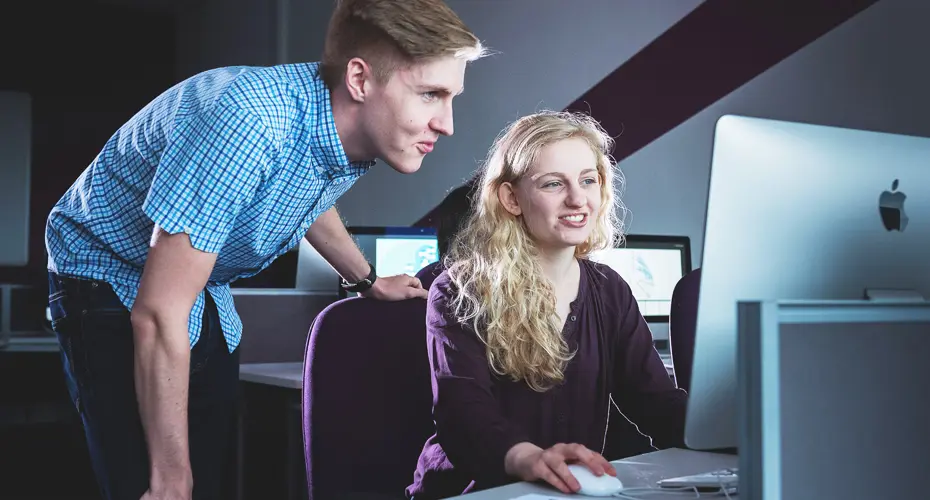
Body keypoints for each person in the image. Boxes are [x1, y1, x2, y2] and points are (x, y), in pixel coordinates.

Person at [44, 1, 486, 498]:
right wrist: (169, 479)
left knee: (206, 469)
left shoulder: (326, 127)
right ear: (360, 80)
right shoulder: (249, 121)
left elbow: (303, 196)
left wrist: (366, 280)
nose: (446, 123)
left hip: (202, 286)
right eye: (431, 94)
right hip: (108, 274)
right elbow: (158, 311)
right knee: (156, 483)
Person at [405, 111, 688, 499]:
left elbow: (654, 402)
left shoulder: (609, 290)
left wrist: (738, 428)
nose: (577, 198)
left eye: (588, 180)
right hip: (473, 492)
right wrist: (529, 459)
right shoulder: (460, 291)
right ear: (511, 198)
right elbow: (463, 414)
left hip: (564, 492)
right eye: (554, 183)